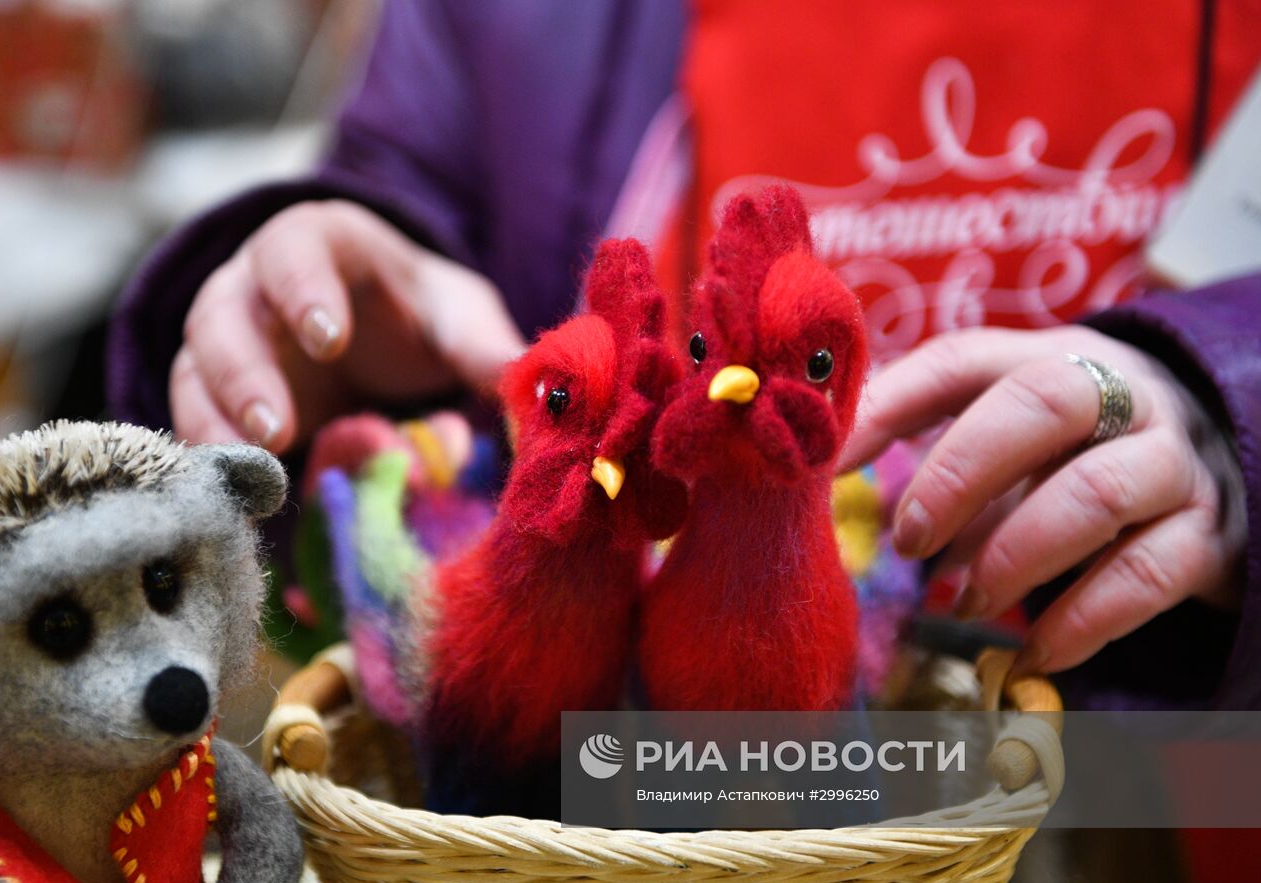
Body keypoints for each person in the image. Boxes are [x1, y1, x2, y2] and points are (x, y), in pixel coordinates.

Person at [109, 0, 1261, 710]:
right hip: (601, 837)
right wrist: (325, 312)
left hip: (1180, 794)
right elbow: (406, 194)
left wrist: (1226, 397)